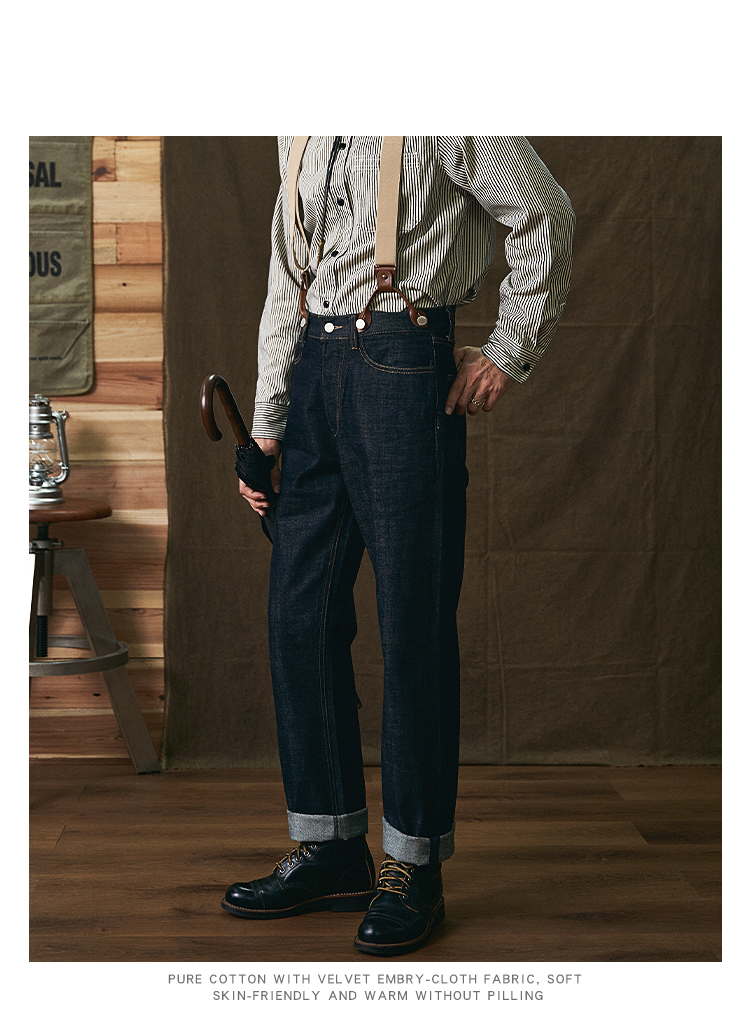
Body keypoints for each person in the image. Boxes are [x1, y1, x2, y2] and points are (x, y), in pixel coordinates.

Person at [222, 136, 574, 956]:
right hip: (313, 373)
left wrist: (509, 350)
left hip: (403, 363)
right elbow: (285, 276)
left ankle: (414, 864)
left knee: (412, 622)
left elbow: (544, 212)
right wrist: (268, 423)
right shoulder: (299, 124)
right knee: (299, 618)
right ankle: (332, 850)